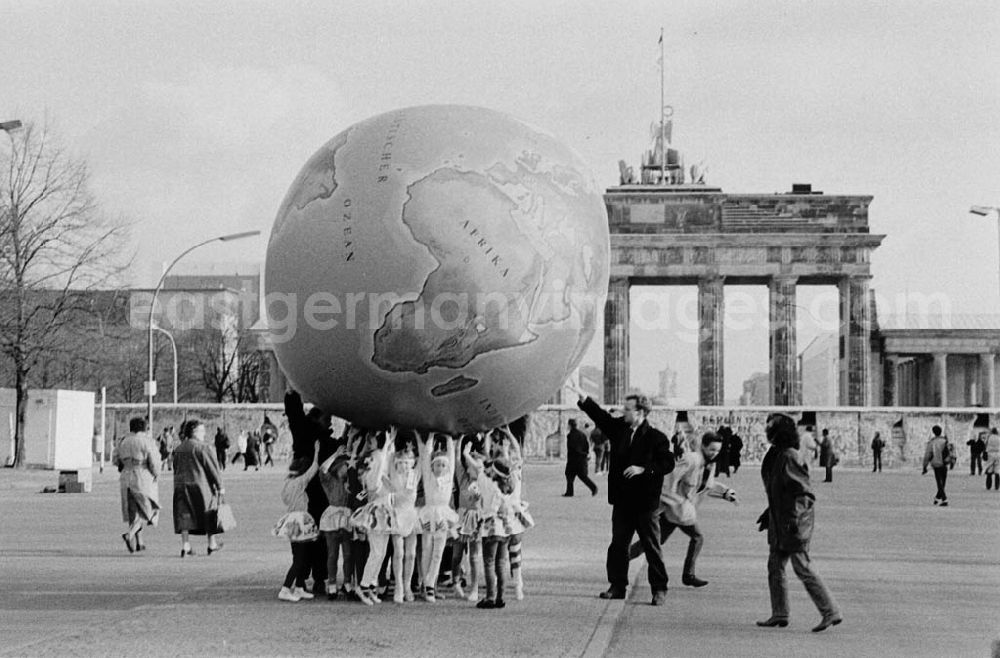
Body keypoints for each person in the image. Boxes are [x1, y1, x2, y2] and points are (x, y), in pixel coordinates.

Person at [571, 384, 674, 606]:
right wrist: (584, 397)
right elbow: (601, 417)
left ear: (640, 412)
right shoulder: (619, 429)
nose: (622, 412)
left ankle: (659, 588)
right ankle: (617, 586)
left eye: (627, 409)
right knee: (618, 545)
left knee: (651, 546)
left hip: (645, 503)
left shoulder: (657, 438)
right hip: (623, 502)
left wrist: (644, 469)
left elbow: (667, 463)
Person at [756, 413, 842, 633]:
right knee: (775, 566)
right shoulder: (777, 454)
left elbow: (803, 493)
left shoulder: (790, 456)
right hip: (781, 521)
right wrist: (769, 513)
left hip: (793, 522)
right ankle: (780, 613)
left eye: (770, 427)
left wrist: (794, 518)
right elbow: (779, 490)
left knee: (802, 566)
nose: (767, 430)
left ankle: (830, 611)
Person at [627, 431, 737, 587]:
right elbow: (667, 481)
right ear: (703, 446)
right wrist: (677, 502)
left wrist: (725, 493)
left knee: (653, 542)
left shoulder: (709, 465)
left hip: (681, 512)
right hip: (676, 509)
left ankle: (620, 559)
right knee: (697, 537)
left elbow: (707, 486)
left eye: (717, 450)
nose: (714, 453)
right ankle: (688, 575)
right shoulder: (690, 460)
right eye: (712, 449)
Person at [273, 441, 321, 602]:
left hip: (290, 520)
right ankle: (286, 588)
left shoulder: (287, 483)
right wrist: (317, 452)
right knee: (299, 559)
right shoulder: (300, 482)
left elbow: (285, 500)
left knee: (301, 556)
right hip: (300, 520)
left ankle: (299, 587)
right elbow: (314, 469)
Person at [172, 418, 225, 556]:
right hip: (200, 485)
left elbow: (175, 467)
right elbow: (212, 468)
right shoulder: (202, 447)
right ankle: (211, 543)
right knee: (209, 513)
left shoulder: (179, 448)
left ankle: (185, 545)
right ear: (194, 432)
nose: (204, 433)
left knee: (184, 515)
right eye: (202, 430)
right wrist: (220, 486)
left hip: (181, 486)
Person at [417, 432, 458, 602]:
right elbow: (426, 457)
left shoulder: (448, 479)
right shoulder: (429, 478)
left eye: (443, 465)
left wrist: (449, 440)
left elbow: (452, 460)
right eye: (437, 465)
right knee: (426, 549)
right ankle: (425, 585)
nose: (440, 468)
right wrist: (431, 438)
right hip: (429, 514)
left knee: (438, 552)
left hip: (443, 515)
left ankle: (430, 585)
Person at [115, 417, 160, 553]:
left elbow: (115, 459)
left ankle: (139, 542)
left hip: (126, 475)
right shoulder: (147, 441)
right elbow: (154, 460)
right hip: (142, 475)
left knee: (132, 510)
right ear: (144, 427)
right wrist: (156, 474)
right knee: (148, 508)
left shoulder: (123, 441)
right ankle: (130, 534)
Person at [318, 439, 355, 600]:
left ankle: (347, 583)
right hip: (333, 518)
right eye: (343, 466)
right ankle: (332, 584)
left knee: (348, 554)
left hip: (346, 518)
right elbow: (322, 469)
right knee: (332, 554)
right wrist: (336, 455)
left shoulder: (351, 483)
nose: (345, 469)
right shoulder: (330, 481)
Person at [563, 419, 597, 497]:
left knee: (569, 475)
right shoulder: (582, 434)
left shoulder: (570, 435)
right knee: (582, 476)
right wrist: (586, 454)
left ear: (570, 425)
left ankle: (570, 492)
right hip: (582, 458)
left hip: (574, 459)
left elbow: (572, 448)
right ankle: (593, 488)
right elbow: (586, 445)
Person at [922, 425, 952, 506]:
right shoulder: (945, 441)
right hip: (944, 463)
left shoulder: (932, 442)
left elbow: (927, 455)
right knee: (943, 482)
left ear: (933, 432)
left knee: (939, 483)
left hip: (936, 464)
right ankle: (938, 498)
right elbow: (951, 451)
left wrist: (924, 466)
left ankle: (944, 499)